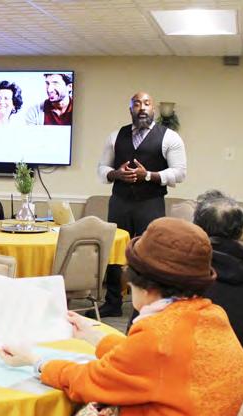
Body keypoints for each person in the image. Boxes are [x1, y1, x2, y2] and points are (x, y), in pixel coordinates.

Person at [0, 217, 243, 416]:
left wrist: (35, 360)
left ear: (143, 285)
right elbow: (145, 366)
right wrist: (94, 336)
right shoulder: (209, 315)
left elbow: (92, 380)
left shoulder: (158, 336)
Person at [96, 91, 187, 317]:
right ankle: (113, 302)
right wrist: (116, 174)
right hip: (119, 202)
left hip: (151, 203)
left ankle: (147, 306)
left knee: (149, 254)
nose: (142, 107)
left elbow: (180, 173)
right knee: (115, 253)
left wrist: (148, 175)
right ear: (131, 110)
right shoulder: (115, 136)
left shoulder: (169, 137)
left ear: (153, 109)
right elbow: (102, 169)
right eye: (137, 104)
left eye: (147, 103)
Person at [194, 190, 243, 359]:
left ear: (197, 229)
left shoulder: (187, 273)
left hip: (193, 365)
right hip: (238, 362)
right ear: (240, 233)